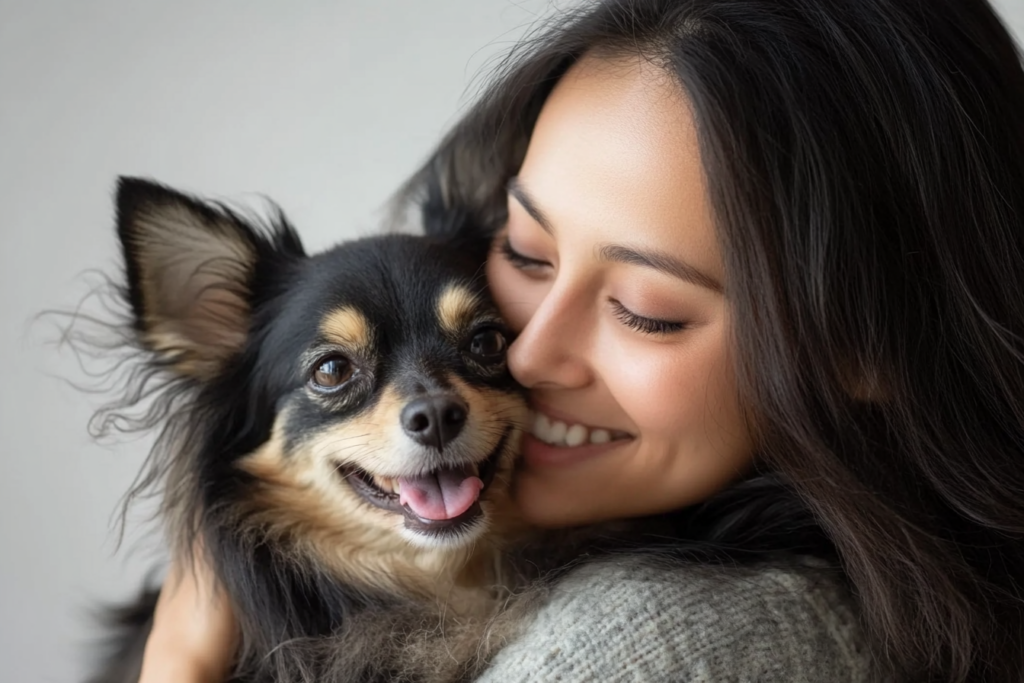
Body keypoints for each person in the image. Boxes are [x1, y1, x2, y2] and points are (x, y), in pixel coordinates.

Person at [136, 0, 1024, 680]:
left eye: (646, 307)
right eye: (524, 252)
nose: (523, 356)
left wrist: (177, 658)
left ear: (863, 349)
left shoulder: (632, 646)